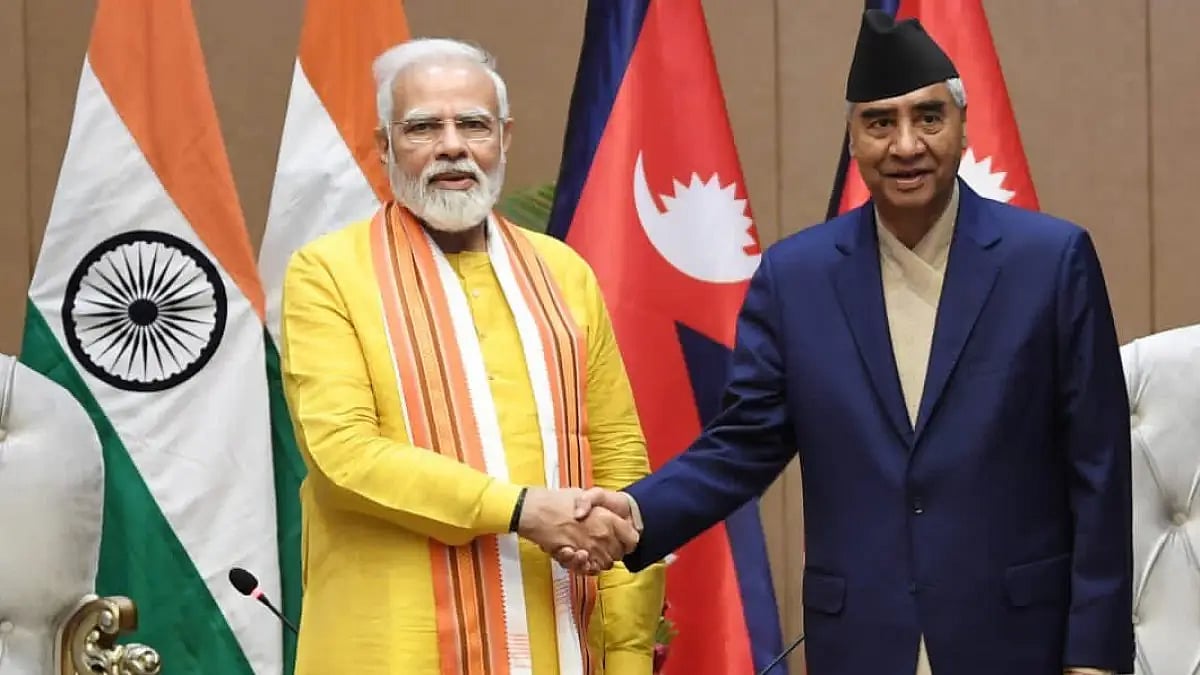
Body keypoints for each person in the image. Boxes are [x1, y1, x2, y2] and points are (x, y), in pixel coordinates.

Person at [564, 10, 1134, 675]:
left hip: (1014, 636)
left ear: (961, 125)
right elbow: (743, 444)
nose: (906, 145)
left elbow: (1099, 468)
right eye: (879, 122)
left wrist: (1094, 656)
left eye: (927, 117)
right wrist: (637, 511)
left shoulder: (1049, 260)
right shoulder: (797, 277)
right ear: (853, 136)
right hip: (863, 639)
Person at [279, 37, 666, 675]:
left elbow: (620, 467)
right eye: (423, 127)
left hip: (560, 646)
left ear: (504, 138)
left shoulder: (562, 273)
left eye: (473, 125)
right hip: (393, 651)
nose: (452, 146)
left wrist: (625, 652)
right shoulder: (328, 273)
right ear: (383, 148)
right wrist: (520, 510)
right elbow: (342, 453)